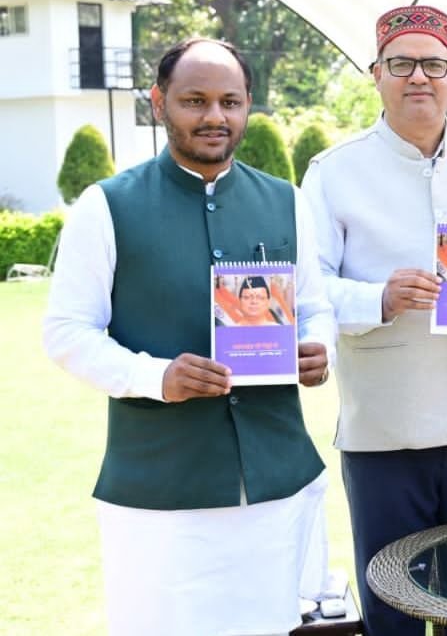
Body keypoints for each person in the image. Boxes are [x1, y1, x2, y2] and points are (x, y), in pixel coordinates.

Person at [42, 38, 336, 636]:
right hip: (160, 492)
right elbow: (66, 332)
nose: (214, 116)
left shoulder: (287, 202)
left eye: (230, 101)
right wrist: (156, 377)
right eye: (194, 101)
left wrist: (317, 346)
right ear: (159, 103)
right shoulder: (106, 206)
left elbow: (315, 308)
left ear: (248, 104)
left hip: (275, 485)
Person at [301, 4, 447, 636]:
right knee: (394, 608)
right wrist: (379, 298)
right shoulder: (334, 171)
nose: (418, 77)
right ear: (375, 73)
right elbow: (310, 288)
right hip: (387, 427)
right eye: (402, 63)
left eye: (433, 65)